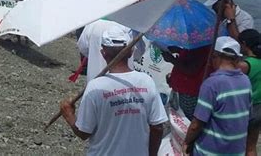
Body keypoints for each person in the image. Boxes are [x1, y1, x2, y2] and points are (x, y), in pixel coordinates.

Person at [60, 26, 168, 156]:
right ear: (130, 52)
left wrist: (69, 115)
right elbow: (157, 127)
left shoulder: (95, 87)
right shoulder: (147, 82)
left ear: (103, 53)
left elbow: (84, 132)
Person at [184, 36, 251, 155]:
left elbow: (196, 125)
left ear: (216, 56)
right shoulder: (246, 81)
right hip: (237, 151)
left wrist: (186, 142)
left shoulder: (211, 84)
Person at [161, 45, 211, 120]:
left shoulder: (203, 46)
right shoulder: (196, 44)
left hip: (190, 95)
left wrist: (172, 60)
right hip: (182, 91)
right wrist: (179, 50)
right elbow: (191, 56)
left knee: (186, 122)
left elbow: (191, 70)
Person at [238, 29, 261, 156]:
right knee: (251, 146)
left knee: (238, 144)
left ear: (245, 44)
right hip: (260, 108)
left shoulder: (245, 65)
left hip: (247, 109)